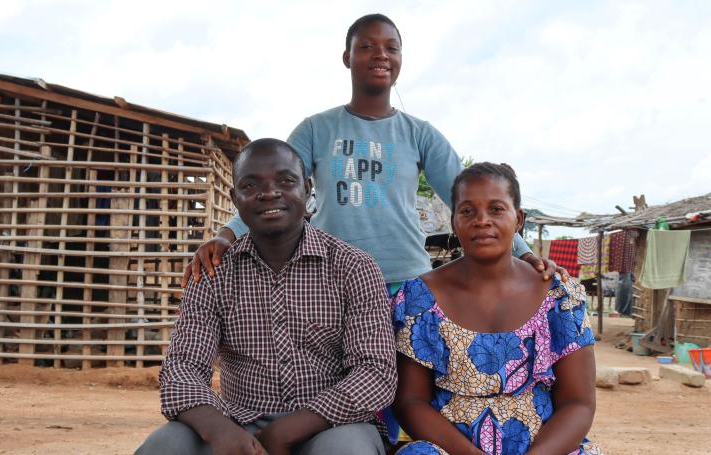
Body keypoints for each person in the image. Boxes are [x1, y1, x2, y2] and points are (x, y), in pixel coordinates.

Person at [181, 13, 559, 292]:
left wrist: (524, 253)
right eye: (366, 47)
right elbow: (272, 190)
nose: (380, 55)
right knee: (342, 391)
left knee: (405, 392)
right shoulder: (317, 129)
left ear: (400, 60)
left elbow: (470, 199)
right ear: (347, 58)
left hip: (406, 283)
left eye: (390, 48)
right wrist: (227, 236)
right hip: (330, 280)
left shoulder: (420, 134)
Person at [136, 139, 397, 455]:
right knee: (165, 445)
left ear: (307, 188)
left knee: (345, 450)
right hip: (237, 425)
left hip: (329, 425)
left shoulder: (353, 266)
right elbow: (182, 368)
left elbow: (375, 373)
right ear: (235, 199)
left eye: (286, 181)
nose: (270, 192)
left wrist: (287, 431)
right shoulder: (213, 272)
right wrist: (221, 431)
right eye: (250, 184)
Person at [391, 163, 599, 455]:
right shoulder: (418, 298)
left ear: (519, 220)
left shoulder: (559, 296)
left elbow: (579, 403)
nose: (481, 220)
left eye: (496, 209)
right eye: (467, 211)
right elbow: (410, 401)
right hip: (450, 449)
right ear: (453, 222)